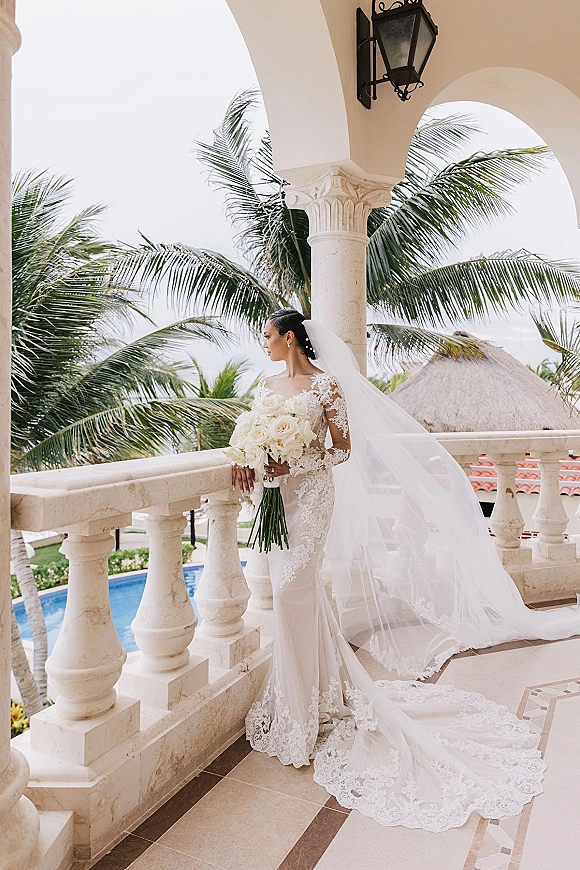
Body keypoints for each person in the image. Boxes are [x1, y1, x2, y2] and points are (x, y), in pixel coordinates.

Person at [231, 309, 580, 831]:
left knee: (293, 594)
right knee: (293, 597)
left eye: (268, 336)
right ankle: (306, 697)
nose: (263, 344)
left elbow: (343, 451)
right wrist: (250, 458)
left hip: (313, 497)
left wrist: (295, 459)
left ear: (289, 338)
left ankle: (300, 713)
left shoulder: (326, 386)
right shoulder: (267, 384)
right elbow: (248, 435)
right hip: (278, 499)